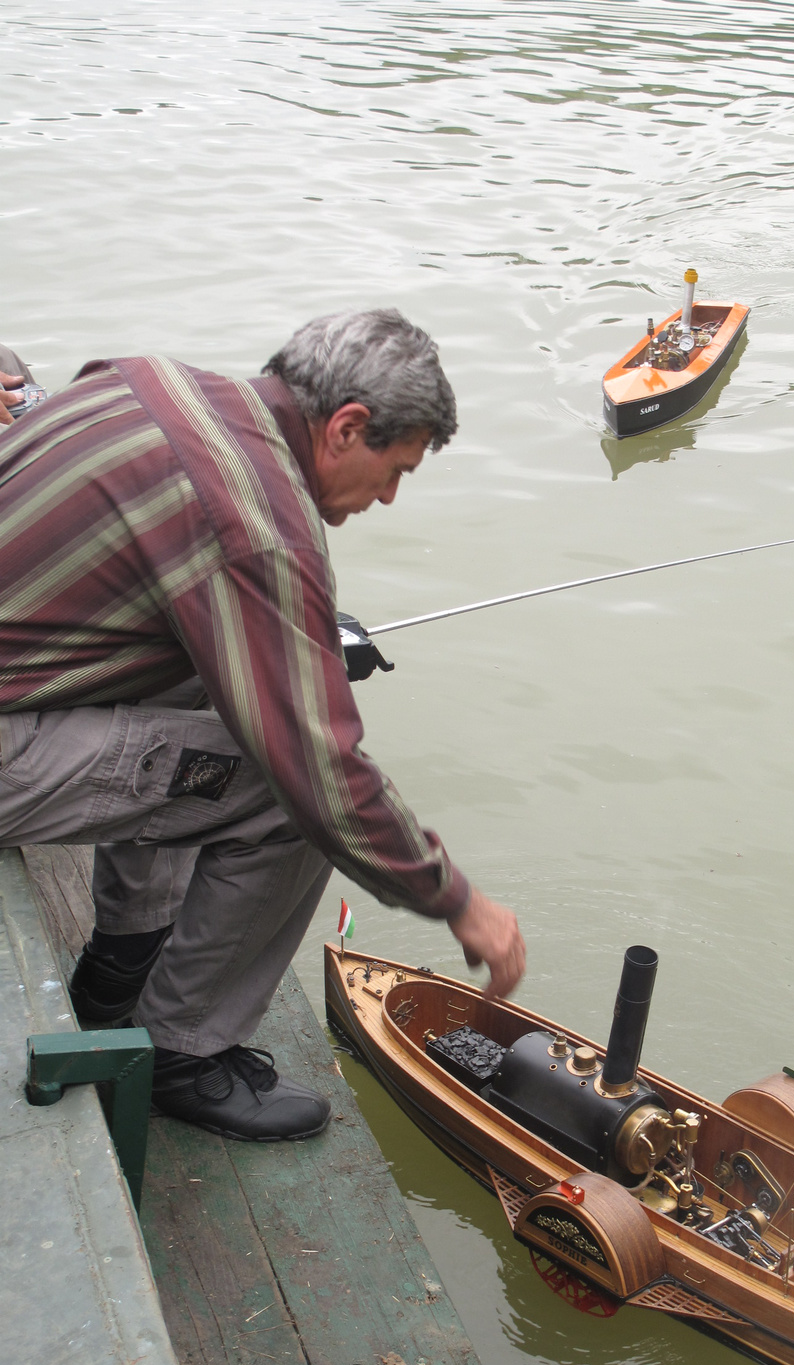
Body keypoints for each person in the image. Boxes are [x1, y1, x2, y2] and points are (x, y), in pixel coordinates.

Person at [0, 310, 525, 1142]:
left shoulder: (148, 379)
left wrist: (292, 635)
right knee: (288, 799)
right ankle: (181, 1051)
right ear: (347, 427)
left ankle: (120, 968)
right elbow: (323, 775)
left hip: (25, 683)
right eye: (396, 470)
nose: (389, 496)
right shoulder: (257, 527)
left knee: (211, 678)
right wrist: (455, 899)